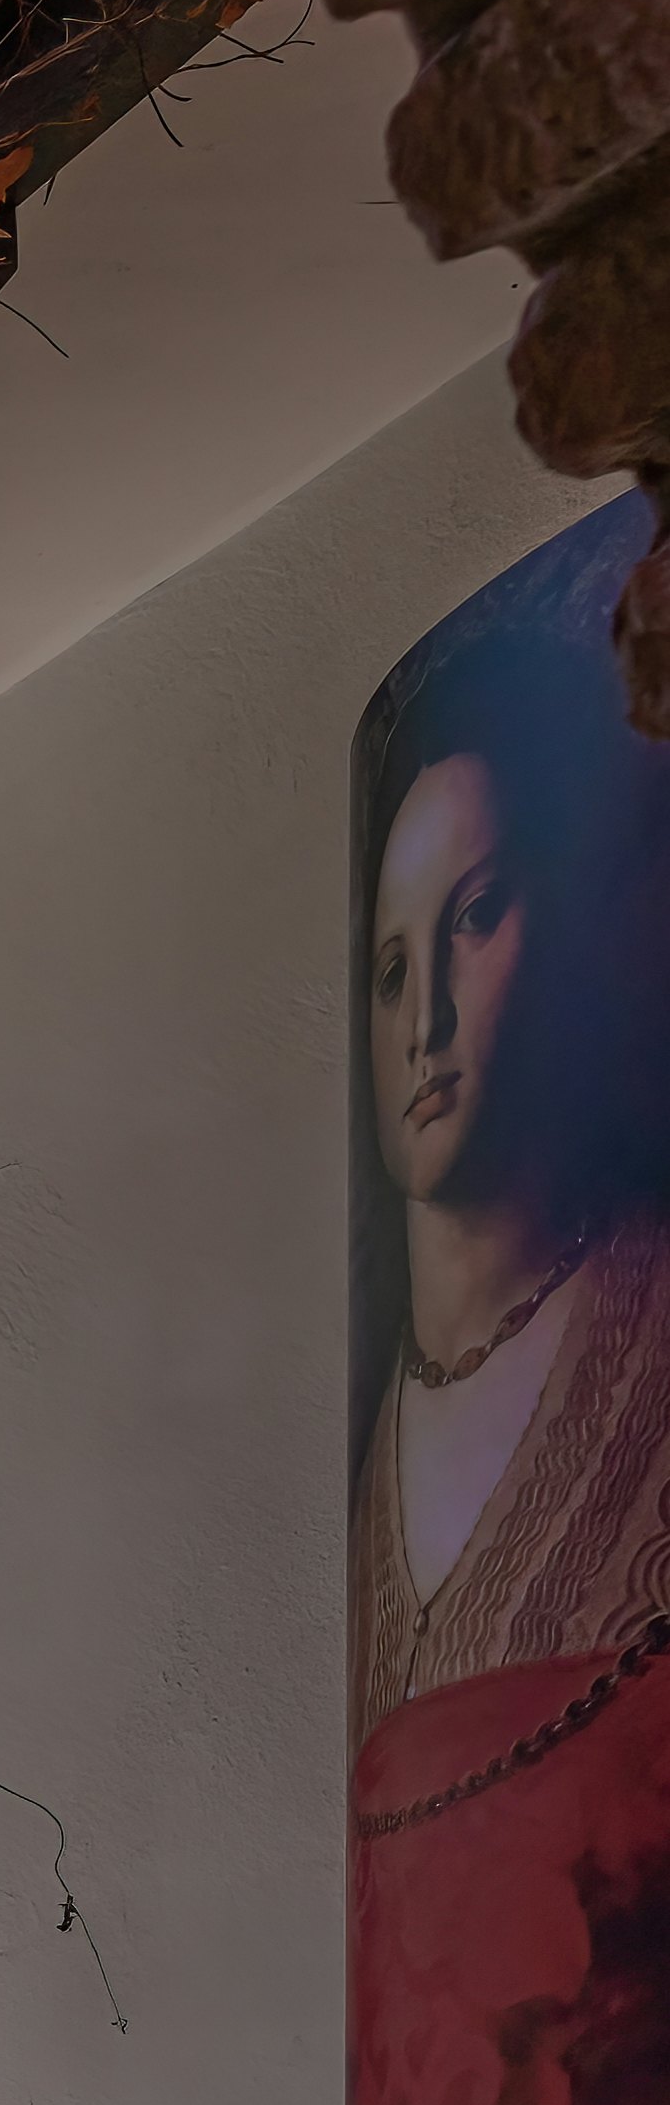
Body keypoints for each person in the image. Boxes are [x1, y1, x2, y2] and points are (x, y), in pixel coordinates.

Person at [351, 716, 670, 1735]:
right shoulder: (357, 1397)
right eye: (391, 973)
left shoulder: (651, 1312)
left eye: (477, 914)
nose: (424, 1023)